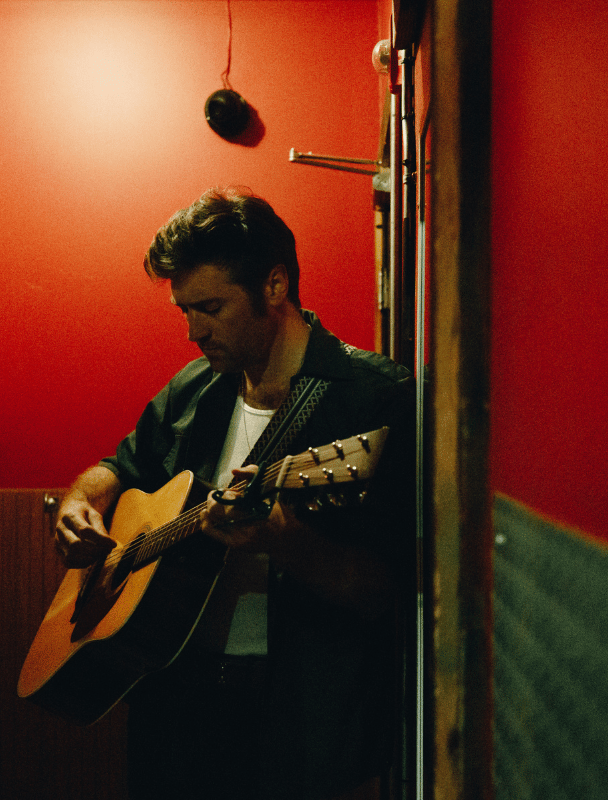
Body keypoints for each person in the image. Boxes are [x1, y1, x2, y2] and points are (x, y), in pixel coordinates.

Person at [53, 188, 415, 800]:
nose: (193, 331)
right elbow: (118, 467)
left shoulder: (373, 400)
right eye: (184, 310)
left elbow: (384, 589)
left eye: (211, 307)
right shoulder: (197, 387)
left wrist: (283, 541)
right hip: (172, 702)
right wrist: (77, 504)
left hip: (293, 720)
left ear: (274, 286)